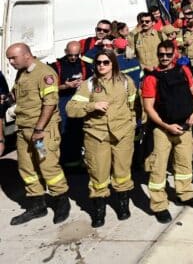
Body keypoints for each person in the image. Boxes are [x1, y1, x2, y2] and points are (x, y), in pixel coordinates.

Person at [66, 49, 138, 227]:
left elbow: (133, 105)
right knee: (98, 174)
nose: (102, 66)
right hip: (96, 135)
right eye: (98, 62)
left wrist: (132, 125)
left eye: (106, 62)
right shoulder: (89, 84)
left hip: (122, 134)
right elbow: (71, 108)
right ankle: (99, 211)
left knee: (122, 172)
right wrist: (92, 106)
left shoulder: (126, 82)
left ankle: (123, 205)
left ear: (113, 63)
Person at [6, 42, 71, 225]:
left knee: (47, 165)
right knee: (26, 167)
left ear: (26, 55)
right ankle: (37, 204)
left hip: (41, 132)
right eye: (9, 59)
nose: (11, 62)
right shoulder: (22, 73)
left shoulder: (45, 74)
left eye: (13, 58)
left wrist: (39, 129)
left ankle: (61, 200)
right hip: (23, 129)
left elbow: (49, 103)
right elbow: (17, 95)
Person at [141, 40, 193, 223]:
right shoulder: (151, 78)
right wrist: (166, 126)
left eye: (168, 54)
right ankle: (159, 205)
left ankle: (184, 194)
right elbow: (149, 107)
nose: (164, 58)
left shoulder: (183, 70)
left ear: (174, 54)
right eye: (161, 54)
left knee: (184, 163)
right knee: (158, 170)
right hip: (162, 130)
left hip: (185, 126)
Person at [52, 41, 91, 169]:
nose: (74, 58)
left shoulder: (85, 65)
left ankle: (76, 159)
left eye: (76, 55)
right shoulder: (56, 66)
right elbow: (48, 88)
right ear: (65, 52)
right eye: (71, 55)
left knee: (79, 131)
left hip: (80, 102)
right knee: (64, 132)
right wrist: (64, 86)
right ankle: (65, 161)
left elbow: (92, 82)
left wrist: (83, 84)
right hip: (63, 101)